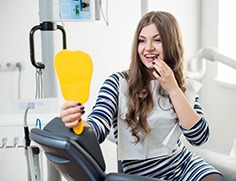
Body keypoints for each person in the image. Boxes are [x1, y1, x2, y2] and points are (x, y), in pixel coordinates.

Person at [60, 11, 223, 181]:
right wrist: (77, 122)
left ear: (171, 44)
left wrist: (173, 89)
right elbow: (98, 127)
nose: (148, 47)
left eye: (157, 40)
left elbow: (199, 137)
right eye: (142, 40)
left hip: (184, 167)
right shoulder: (117, 83)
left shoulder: (183, 85)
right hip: (141, 176)